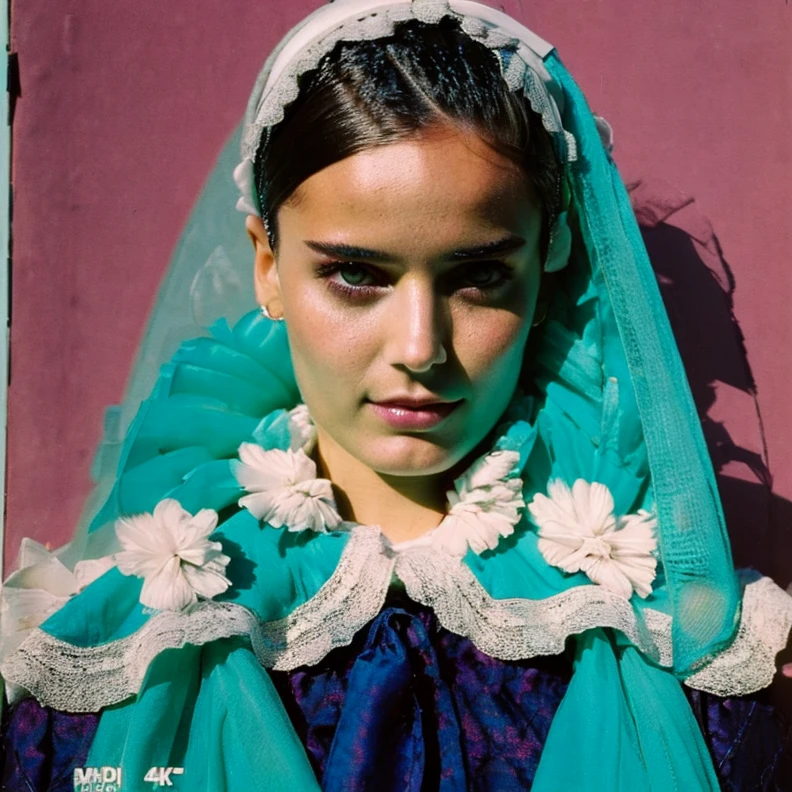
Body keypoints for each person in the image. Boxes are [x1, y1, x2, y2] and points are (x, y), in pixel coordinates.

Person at [1, 1, 791, 789]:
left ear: (546, 269)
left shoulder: (673, 637)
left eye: (480, 276)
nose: (420, 348)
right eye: (355, 274)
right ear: (268, 266)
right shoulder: (127, 643)